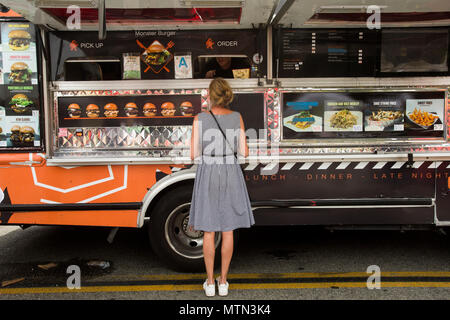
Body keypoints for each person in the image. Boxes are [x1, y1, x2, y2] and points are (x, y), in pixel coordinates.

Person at [188, 78, 255, 297]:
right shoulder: (237, 117)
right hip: (230, 171)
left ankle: (209, 282)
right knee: (228, 230)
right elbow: (244, 153)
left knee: (209, 230)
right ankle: (223, 282)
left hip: (208, 171)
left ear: (210, 95)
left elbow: (193, 155)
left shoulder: (200, 118)